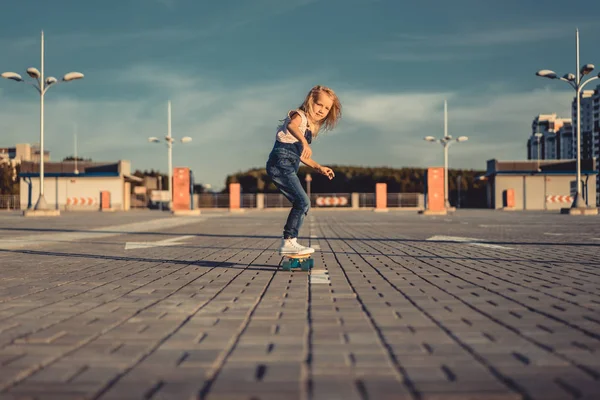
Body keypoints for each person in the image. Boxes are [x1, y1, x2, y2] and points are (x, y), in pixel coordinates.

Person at [266, 85, 342, 255]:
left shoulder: (308, 127)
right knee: (303, 202)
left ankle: (290, 241)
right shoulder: (298, 116)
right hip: (281, 163)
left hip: (288, 164)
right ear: (310, 101)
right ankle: (289, 241)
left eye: (326, 108)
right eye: (319, 104)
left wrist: (319, 167)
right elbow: (292, 126)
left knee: (301, 202)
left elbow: (302, 156)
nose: (322, 110)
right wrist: (304, 141)